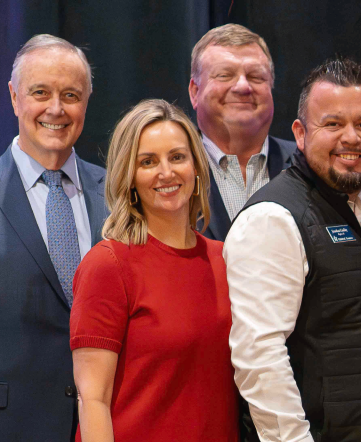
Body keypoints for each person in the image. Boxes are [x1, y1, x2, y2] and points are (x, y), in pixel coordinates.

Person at [226, 58, 361, 441]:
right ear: (301, 133)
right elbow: (259, 358)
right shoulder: (272, 218)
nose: (351, 138)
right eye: (333, 124)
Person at [0, 34, 108, 441]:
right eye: (40, 93)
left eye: (71, 95)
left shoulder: (118, 195)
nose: (56, 109)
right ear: (14, 97)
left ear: (87, 101)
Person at [69, 99, 237, 441]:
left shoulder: (226, 259)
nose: (166, 172)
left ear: (196, 166)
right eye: (148, 161)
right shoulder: (108, 265)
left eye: (177, 157)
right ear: (129, 177)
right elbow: (93, 400)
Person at [188, 24, 299, 240]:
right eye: (224, 75)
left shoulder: (309, 164)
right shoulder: (168, 173)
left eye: (256, 76)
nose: (242, 86)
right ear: (195, 92)